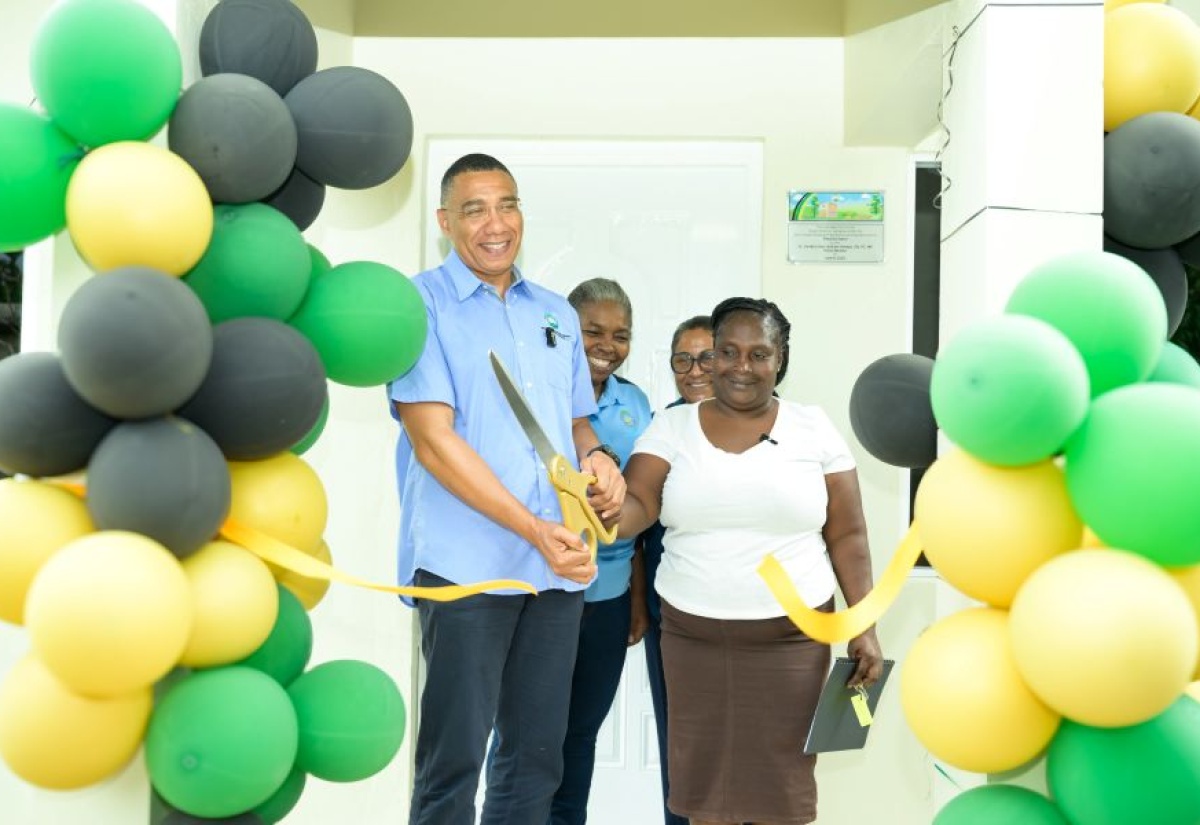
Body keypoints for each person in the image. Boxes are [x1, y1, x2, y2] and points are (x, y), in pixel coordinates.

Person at [389, 153, 626, 825]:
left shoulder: (554, 313)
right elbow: (434, 439)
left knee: (534, 763)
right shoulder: (418, 306)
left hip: (553, 574)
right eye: (474, 209)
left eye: (507, 205)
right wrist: (532, 528)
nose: (495, 224)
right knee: (452, 762)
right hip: (466, 567)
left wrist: (600, 459)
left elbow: (575, 425)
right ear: (445, 221)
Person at [618, 297, 884, 825]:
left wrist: (864, 625)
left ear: (780, 359)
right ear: (712, 356)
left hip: (792, 638)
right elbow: (639, 504)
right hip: (693, 637)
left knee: (780, 791)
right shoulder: (672, 429)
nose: (743, 367)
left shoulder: (813, 428)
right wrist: (600, 509)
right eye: (729, 352)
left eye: (759, 354)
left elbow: (848, 534)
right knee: (703, 790)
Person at [549, 277, 653, 825]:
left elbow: (641, 508)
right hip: (541, 592)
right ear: (566, 330)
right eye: (593, 331)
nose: (607, 345)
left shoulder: (635, 404)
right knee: (530, 734)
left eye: (621, 334)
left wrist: (635, 597)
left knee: (581, 734)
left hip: (607, 599)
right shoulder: (538, 392)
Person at [640, 314, 713, 825]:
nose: (693, 371)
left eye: (706, 357)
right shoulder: (661, 427)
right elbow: (639, 525)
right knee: (681, 744)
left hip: (750, 620)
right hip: (671, 615)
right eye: (681, 360)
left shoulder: (771, 429)